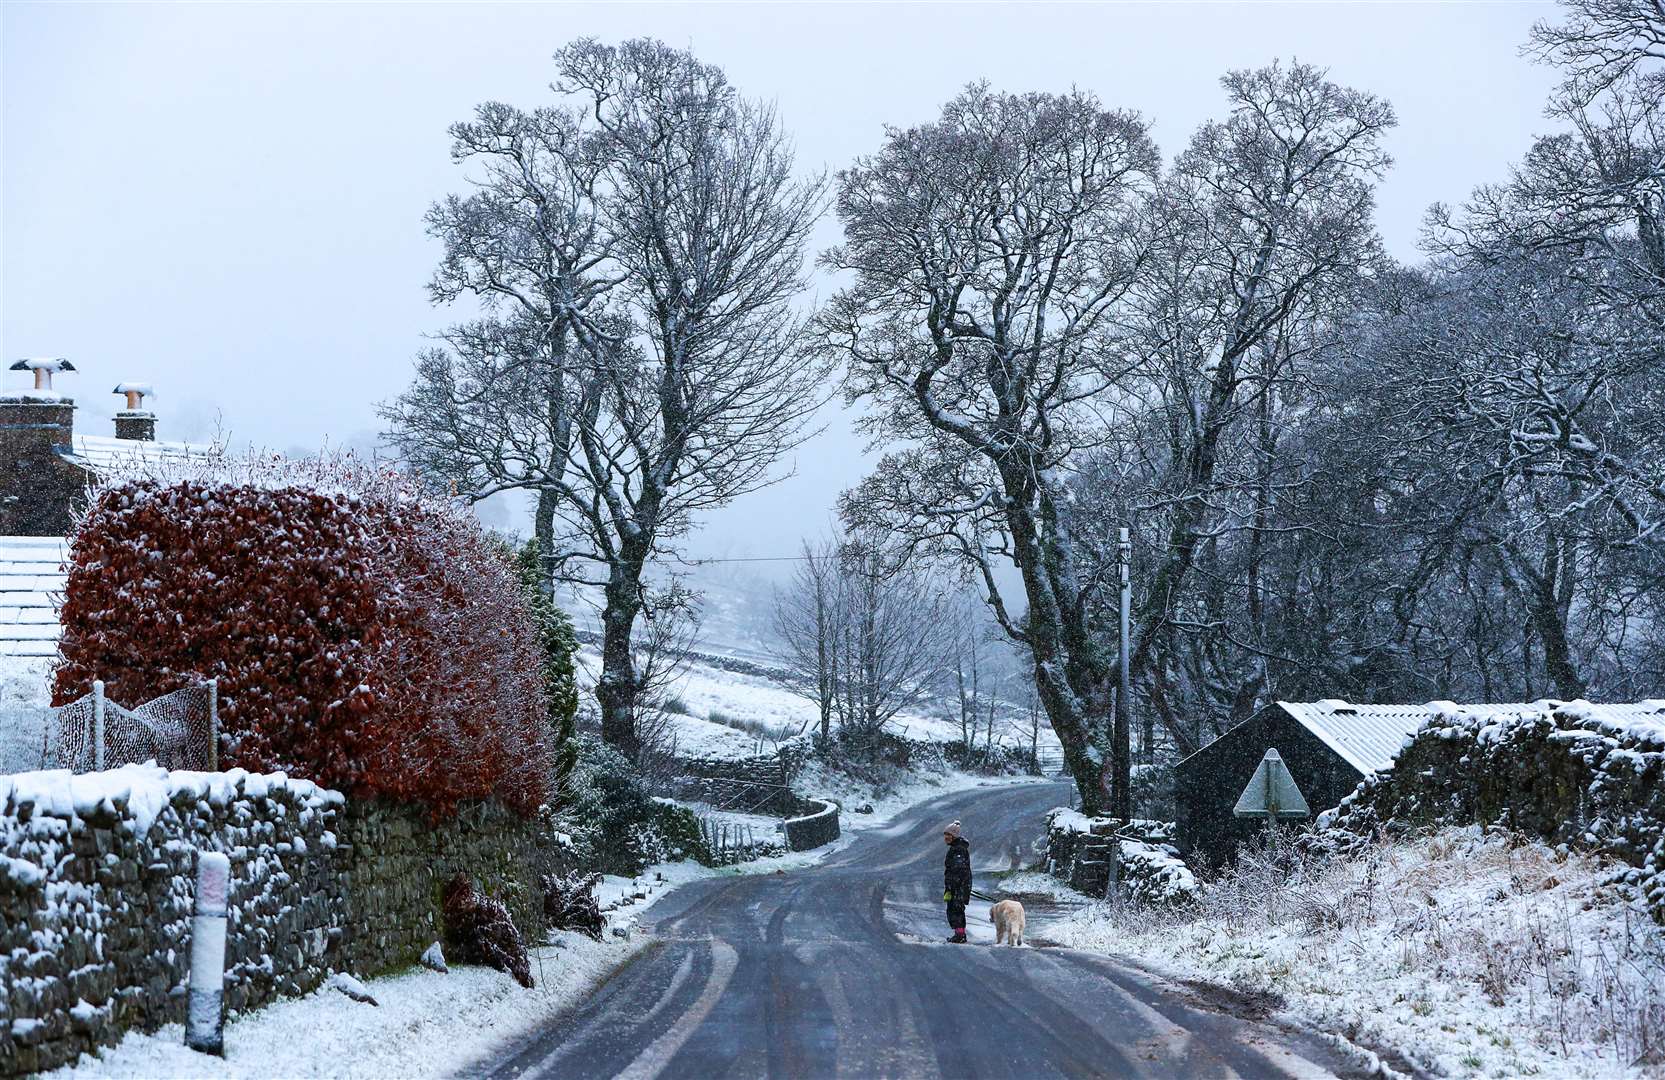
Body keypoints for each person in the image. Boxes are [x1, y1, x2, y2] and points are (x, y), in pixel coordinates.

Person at [942, 820, 971, 943]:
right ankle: (959, 934)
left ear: (954, 836)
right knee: (954, 909)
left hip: (958, 886)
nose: (946, 837)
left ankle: (960, 935)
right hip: (956, 886)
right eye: (945, 834)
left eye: (949, 835)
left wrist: (954, 886)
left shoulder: (958, 850)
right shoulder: (956, 848)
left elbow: (959, 870)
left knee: (956, 909)